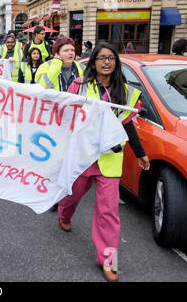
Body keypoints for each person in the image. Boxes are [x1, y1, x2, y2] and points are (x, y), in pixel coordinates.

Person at [58, 42, 150, 282]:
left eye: (111, 58)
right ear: (93, 62)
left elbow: (127, 124)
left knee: (108, 213)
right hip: (82, 157)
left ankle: (108, 261)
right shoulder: (78, 86)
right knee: (72, 196)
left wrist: (140, 153)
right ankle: (64, 215)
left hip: (110, 160)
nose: (106, 62)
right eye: (101, 58)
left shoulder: (127, 92)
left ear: (116, 62)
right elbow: (63, 115)